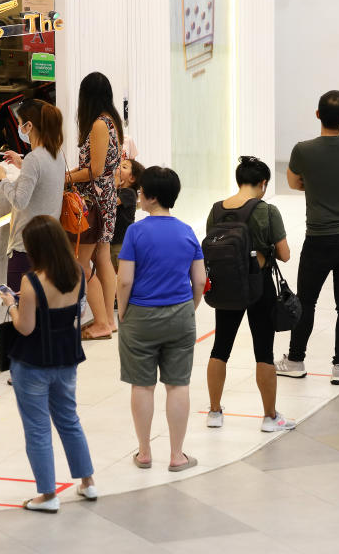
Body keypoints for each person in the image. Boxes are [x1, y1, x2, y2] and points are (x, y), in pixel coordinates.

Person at [0, 216, 97, 513]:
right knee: (69, 420)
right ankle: (88, 481)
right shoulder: (78, 272)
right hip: (67, 356)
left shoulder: (31, 282)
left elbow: (25, 327)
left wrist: (11, 304)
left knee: (38, 428)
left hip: (33, 361)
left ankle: (47, 494)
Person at [276, 91, 339, 385]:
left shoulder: (302, 150)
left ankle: (296, 360)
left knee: (306, 301)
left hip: (319, 237)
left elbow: (293, 182)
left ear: (317, 115)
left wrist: (316, 185)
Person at [116, 166, 206, 471]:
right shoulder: (187, 231)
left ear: (150, 197)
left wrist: (122, 310)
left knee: (142, 385)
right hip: (180, 313)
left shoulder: (135, 232)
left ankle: (144, 453)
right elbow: (199, 280)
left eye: (141, 191)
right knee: (177, 385)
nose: (139, 195)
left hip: (141, 315)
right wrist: (189, 308)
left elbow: (125, 280)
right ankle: (177, 454)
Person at [205, 156, 294, 432]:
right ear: (263, 184)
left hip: (226, 286)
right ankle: (269, 417)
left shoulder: (217, 209)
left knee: (220, 347)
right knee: (263, 352)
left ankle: (214, 412)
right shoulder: (266, 210)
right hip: (259, 286)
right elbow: (285, 254)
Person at [65, 72, 122, 339]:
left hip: (95, 199)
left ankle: (103, 320)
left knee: (83, 261)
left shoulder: (99, 124)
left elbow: (95, 170)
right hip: (104, 195)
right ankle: (108, 320)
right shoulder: (111, 120)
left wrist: (66, 178)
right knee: (101, 255)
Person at [0, 98, 66, 292]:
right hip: (50, 242)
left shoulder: (34, 158)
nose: (18, 129)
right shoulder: (56, 152)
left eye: (19, 124)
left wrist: (2, 179)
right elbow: (45, 177)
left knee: (20, 305)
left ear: (29, 125)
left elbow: (19, 201)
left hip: (27, 246)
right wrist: (23, 165)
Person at [111, 158, 144, 272]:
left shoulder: (129, 193)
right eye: (119, 165)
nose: (119, 167)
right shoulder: (118, 190)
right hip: (113, 240)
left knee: (122, 272)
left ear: (132, 178)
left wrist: (114, 186)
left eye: (124, 167)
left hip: (122, 242)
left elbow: (111, 203)